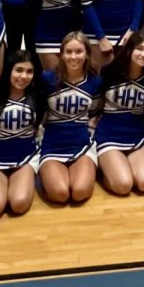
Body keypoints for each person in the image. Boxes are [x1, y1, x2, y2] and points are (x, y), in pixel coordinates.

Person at [37, 32, 101, 204]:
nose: (74, 57)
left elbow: (94, 113)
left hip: (81, 143)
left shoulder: (95, 82)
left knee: (79, 192)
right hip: (52, 144)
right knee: (60, 194)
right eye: (69, 52)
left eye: (79, 52)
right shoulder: (47, 79)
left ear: (87, 54)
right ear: (61, 54)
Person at [0, 51, 43, 217]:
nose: (24, 76)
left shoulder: (38, 98)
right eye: (19, 70)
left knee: (19, 204)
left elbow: (39, 127)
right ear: (8, 70)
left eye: (29, 72)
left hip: (25, 156)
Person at [94, 32, 144, 196]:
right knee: (124, 185)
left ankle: (117, 167)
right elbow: (97, 102)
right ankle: (105, 169)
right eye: (139, 48)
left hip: (137, 137)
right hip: (109, 136)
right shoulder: (109, 72)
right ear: (129, 49)